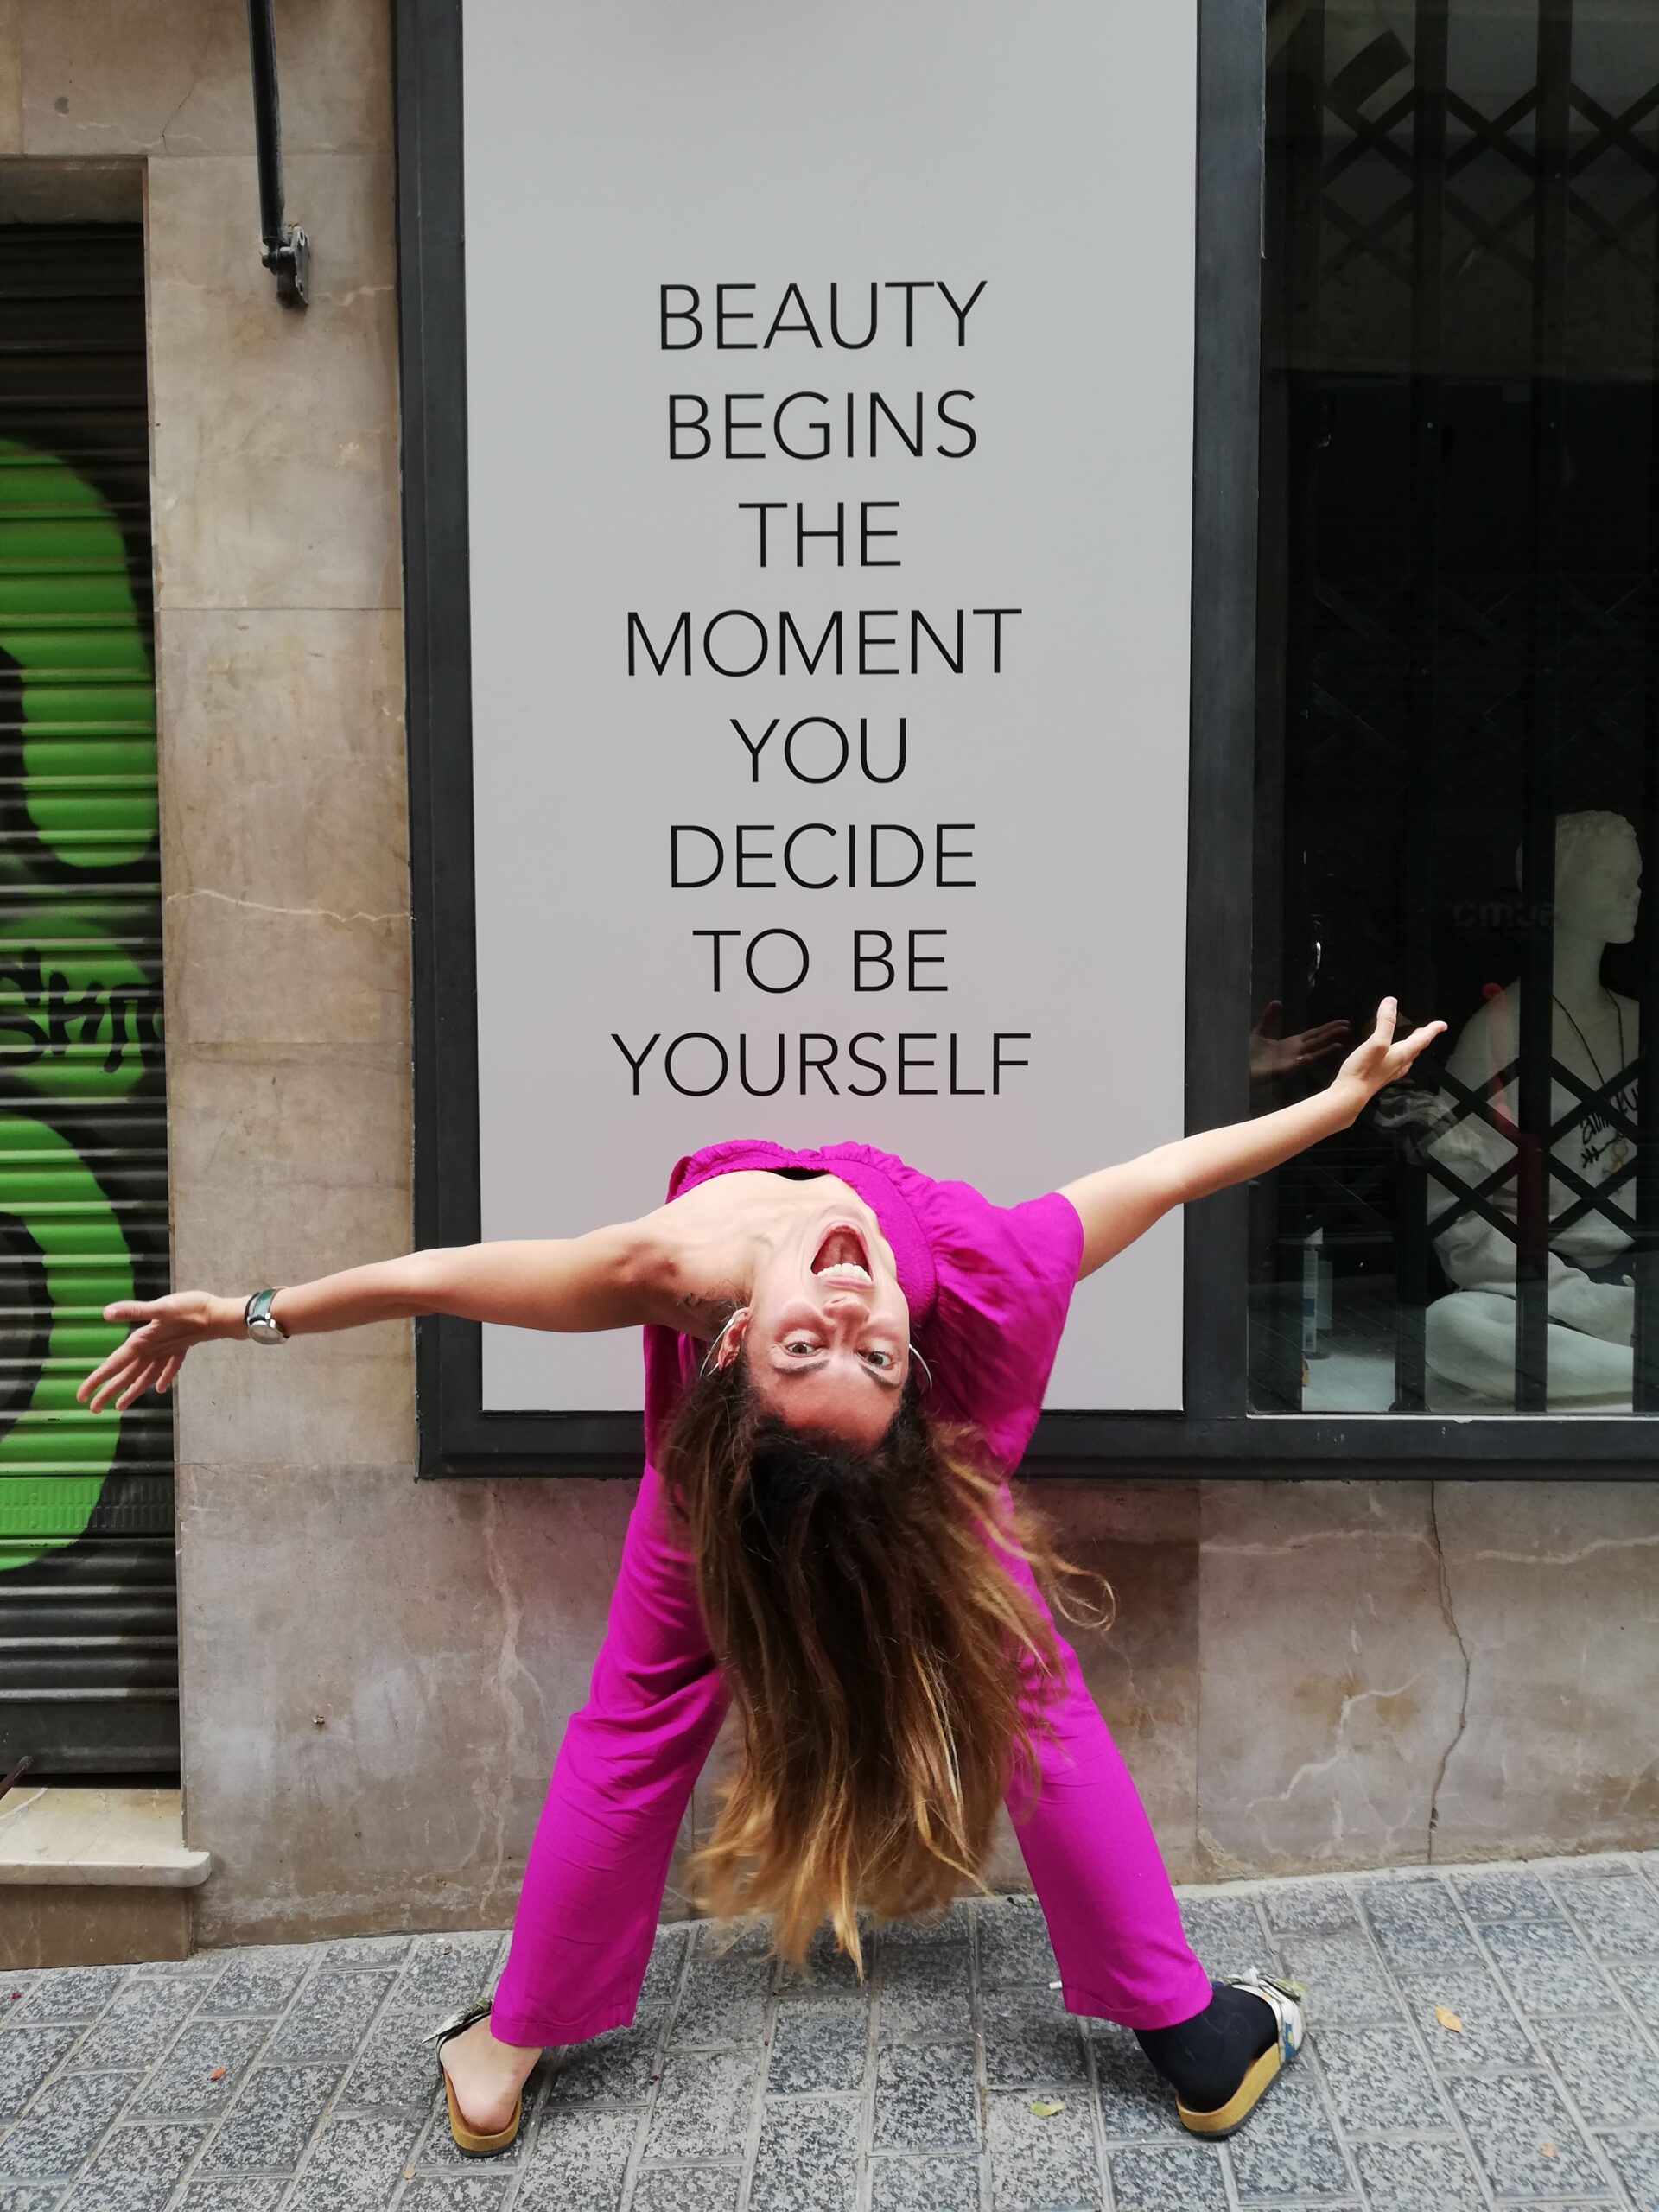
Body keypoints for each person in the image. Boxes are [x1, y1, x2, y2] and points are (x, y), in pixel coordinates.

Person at [77, 995, 1444, 2158]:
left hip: (863, 1485)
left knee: (679, 1715)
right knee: (1011, 1684)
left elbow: (443, 1282)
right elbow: (1160, 1178)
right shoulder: (851, 1273)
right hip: (736, 1493)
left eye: (848, 1352)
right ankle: (1194, 2036)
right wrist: (250, 1316)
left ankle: (503, 2054)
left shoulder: (724, 1278)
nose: (849, 1316)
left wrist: (1334, 1105)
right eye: (830, 1349)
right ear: (723, 1349)